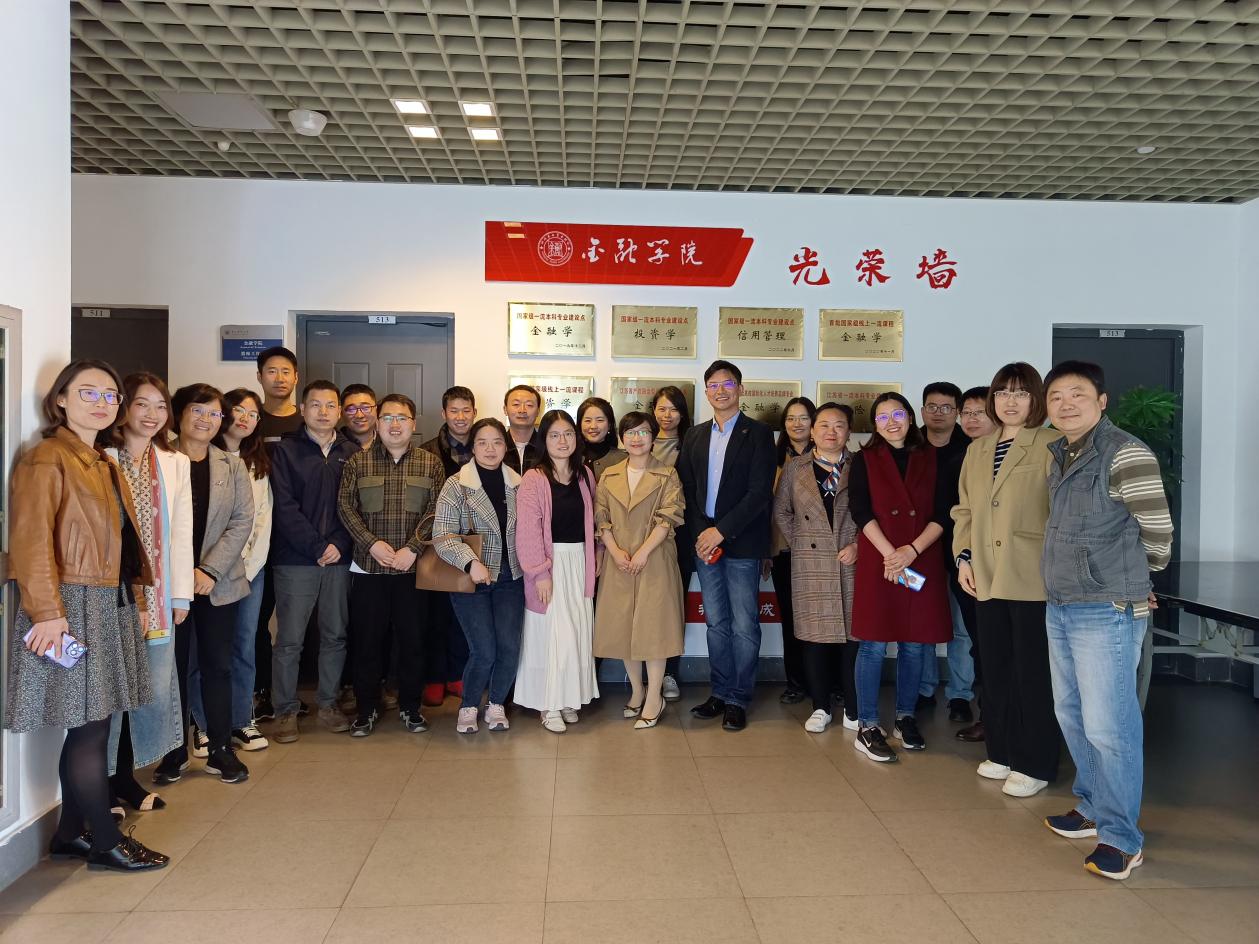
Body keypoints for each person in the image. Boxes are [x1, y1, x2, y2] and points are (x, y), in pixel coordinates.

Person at [6, 360, 168, 871]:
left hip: (106, 603)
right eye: (88, 393)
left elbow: (122, 547)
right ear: (60, 399)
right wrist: (47, 614)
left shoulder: (100, 461)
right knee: (90, 727)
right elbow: (30, 542)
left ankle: (70, 833)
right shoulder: (46, 458)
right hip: (69, 605)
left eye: (110, 395)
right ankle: (106, 841)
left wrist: (135, 602)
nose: (102, 403)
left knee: (91, 724)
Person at [1040, 360, 1172, 881]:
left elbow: (1157, 532)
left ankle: (1121, 838)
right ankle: (1093, 806)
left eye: (1077, 394)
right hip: (1062, 603)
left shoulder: (1125, 452)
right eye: (1056, 396)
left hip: (1107, 607)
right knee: (1072, 712)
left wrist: (1136, 580)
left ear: (1101, 401)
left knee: (1110, 725)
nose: (1065, 404)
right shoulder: (1061, 453)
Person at [953, 364, 1061, 797]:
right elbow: (964, 510)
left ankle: (1035, 762)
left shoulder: (1053, 443)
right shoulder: (978, 448)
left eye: (1019, 393)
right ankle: (1000, 751)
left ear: (1036, 399)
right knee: (995, 667)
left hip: (1032, 573)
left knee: (1032, 672)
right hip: (985, 573)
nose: (1009, 401)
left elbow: (1062, 511)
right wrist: (963, 557)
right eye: (1002, 393)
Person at [849, 392, 953, 763]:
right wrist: (891, 554)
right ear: (874, 424)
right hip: (881, 562)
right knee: (873, 643)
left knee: (916, 643)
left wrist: (910, 551)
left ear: (910, 417)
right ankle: (867, 724)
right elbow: (860, 510)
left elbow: (944, 512)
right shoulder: (864, 458)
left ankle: (905, 717)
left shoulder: (933, 457)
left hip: (920, 560)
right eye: (882, 417)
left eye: (897, 414)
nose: (891, 422)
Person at [161, 383, 255, 785]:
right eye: (198, 411)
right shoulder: (158, 459)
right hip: (169, 586)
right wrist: (182, 575)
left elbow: (241, 522)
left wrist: (209, 570)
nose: (206, 420)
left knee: (218, 666)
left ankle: (220, 749)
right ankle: (173, 750)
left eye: (215, 414)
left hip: (218, 584)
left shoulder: (231, 466)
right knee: (173, 668)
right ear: (179, 414)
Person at [105, 373, 191, 808]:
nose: (152, 414)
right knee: (110, 688)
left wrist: (179, 596)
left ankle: (127, 777)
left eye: (160, 406)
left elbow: (180, 532)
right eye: (143, 404)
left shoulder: (174, 461)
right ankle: (103, 783)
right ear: (124, 408)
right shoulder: (100, 456)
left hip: (158, 594)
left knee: (147, 687)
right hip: (112, 593)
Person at [338, 394, 446, 736]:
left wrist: (412, 548)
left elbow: (437, 510)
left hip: (413, 570)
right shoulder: (358, 462)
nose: (394, 424)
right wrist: (371, 543)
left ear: (413, 423)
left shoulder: (430, 464)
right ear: (377, 422)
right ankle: (366, 709)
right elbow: (345, 508)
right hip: (369, 569)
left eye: (401, 418)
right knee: (367, 643)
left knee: (413, 642)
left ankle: (411, 708)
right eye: (387, 418)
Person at [678, 360, 776, 732]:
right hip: (705, 543)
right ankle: (719, 692)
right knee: (716, 623)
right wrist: (703, 534)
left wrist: (720, 531)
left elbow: (759, 493)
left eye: (728, 384)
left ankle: (738, 697)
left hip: (742, 543)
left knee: (745, 625)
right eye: (714, 385)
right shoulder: (695, 435)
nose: (721, 390)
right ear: (706, 392)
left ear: (740, 389)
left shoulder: (759, 433)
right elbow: (687, 489)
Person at [268, 380, 359, 742]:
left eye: (330, 405)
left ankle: (329, 704)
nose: (323, 412)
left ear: (339, 412)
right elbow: (283, 506)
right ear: (302, 409)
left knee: (335, 634)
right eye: (316, 405)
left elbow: (355, 506)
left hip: (339, 558)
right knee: (289, 639)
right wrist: (316, 546)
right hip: (295, 559)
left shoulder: (352, 452)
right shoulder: (285, 451)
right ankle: (285, 710)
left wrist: (337, 543)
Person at [187, 388, 273, 754]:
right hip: (201, 572)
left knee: (243, 645)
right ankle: (202, 724)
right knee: (200, 650)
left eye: (253, 414)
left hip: (249, 570)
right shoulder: (194, 456)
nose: (245, 418)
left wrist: (249, 566)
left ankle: (241, 720)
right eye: (238, 410)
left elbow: (259, 519)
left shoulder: (256, 462)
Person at [433, 417, 526, 734]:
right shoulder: (457, 484)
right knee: (484, 649)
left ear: (505, 446)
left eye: (497, 442)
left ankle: (496, 703)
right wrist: (471, 562)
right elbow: (442, 535)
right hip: (471, 580)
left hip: (511, 578)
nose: (490, 449)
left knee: (509, 648)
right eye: (482, 442)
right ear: (472, 447)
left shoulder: (519, 483)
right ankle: (470, 705)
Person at [594, 411, 685, 729]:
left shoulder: (667, 474)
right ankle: (637, 691)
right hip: (619, 561)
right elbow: (600, 517)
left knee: (653, 630)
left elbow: (669, 516)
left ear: (652, 437)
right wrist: (615, 551)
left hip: (654, 559)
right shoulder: (609, 475)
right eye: (630, 432)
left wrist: (643, 552)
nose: (636, 438)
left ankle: (654, 696)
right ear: (621, 438)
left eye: (643, 432)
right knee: (623, 628)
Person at [773, 403, 860, 733]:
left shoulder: (860, 465)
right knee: (813, 637)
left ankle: (853, 706)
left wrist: (859, 545)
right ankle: (820, 706)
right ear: (812, 431)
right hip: (810, 561)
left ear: (849, 431)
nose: (831, 432)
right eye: (824, 425)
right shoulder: (796, 468)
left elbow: (873, 512)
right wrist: (801, 541)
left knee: (853, 637)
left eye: (839, 425)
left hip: (851, 560)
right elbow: (781, 511)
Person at [514, 410, 600, 732]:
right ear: (544, 441)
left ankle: (567, 698)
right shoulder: (534, 479)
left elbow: (593, 522)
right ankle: (547, 704)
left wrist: (597, 556)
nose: (562, 441)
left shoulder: (585, 475)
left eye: (568, 434)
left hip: (580, 562)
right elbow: (527, 531)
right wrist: (539, 573)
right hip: (549, 565)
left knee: (574, 633)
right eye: (554, 435)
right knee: (549, 633)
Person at [251, 345, 301, 723]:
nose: (279, 378)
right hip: (255, 539)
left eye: (286, 371)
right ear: (260, 376)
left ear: (295, 377)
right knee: (256, 618)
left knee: (299, 622)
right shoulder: (251, 421)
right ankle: (261, 690)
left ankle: (293, 691)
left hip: (295, 539)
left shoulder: (306, 422)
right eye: (272, 371)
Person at [918, 380, 974, 717]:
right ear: (923, 410)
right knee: (922, 621)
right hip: (918, 551)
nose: (938, 413)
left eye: (946, 407)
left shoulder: (973, 448)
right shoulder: (909, 446)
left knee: (962, 626)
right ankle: (924, 688)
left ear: (957, 412)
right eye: (932, 406)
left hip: (962, 551)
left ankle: (960, 695)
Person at [419, 385, 477, 707]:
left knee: (465, 611)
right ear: (444, 414)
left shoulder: (484, 446)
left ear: (474, 413)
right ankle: (433, 677)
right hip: (437, 540)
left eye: (466, 410)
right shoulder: (427, 451)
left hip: (474, 541)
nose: (460, 416)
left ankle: (457, 674)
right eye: (454, 410)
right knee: (435, 612)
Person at [953, 385, 995, 743]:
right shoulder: (966, 453)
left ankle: (1001, 718)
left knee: (997, 645)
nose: (971, 419)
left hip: (1007, 568)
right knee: (980, 643)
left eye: (979, 412)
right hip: (967, 567)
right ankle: (990, 716)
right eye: (965, 413)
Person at [768, 396, 815, 705]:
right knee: (792, 618)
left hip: (822, 553)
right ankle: (796, 682)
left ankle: (828, 682)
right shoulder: (772, 460)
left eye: (803, 418)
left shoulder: (829, 456)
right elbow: (767, 510)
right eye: (790, 418)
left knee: (823, 617)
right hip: (785, 551)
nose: (796, 424)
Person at [651, 385, 693, 701]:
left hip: (680, 538)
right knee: (645, 606)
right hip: (641, 540)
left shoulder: (692, 444)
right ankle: (645, 673)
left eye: (674, 408)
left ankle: (670, 673)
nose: (667, 415)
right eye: (662, 408)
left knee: (672, 606)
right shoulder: (640, 442)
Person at [577, 396, 626, 480]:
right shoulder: (569, 457)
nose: (593, 426)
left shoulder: (622, 459)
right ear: (579, 424)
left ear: (609, 425)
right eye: (588, 420)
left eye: (600, 420)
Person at [503, 384, 543, 473]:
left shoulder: (546, 447)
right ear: (505, 409)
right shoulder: (497, 446)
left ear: (538, 411)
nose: (522, 410)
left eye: (529, 405)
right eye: (516, 404)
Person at [340, 383, 377, 449]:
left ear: (376, 410)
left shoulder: (389, 443)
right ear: (341, 413)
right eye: (351, 409)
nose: (359, 415)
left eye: (365, 408)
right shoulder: (331, 445)